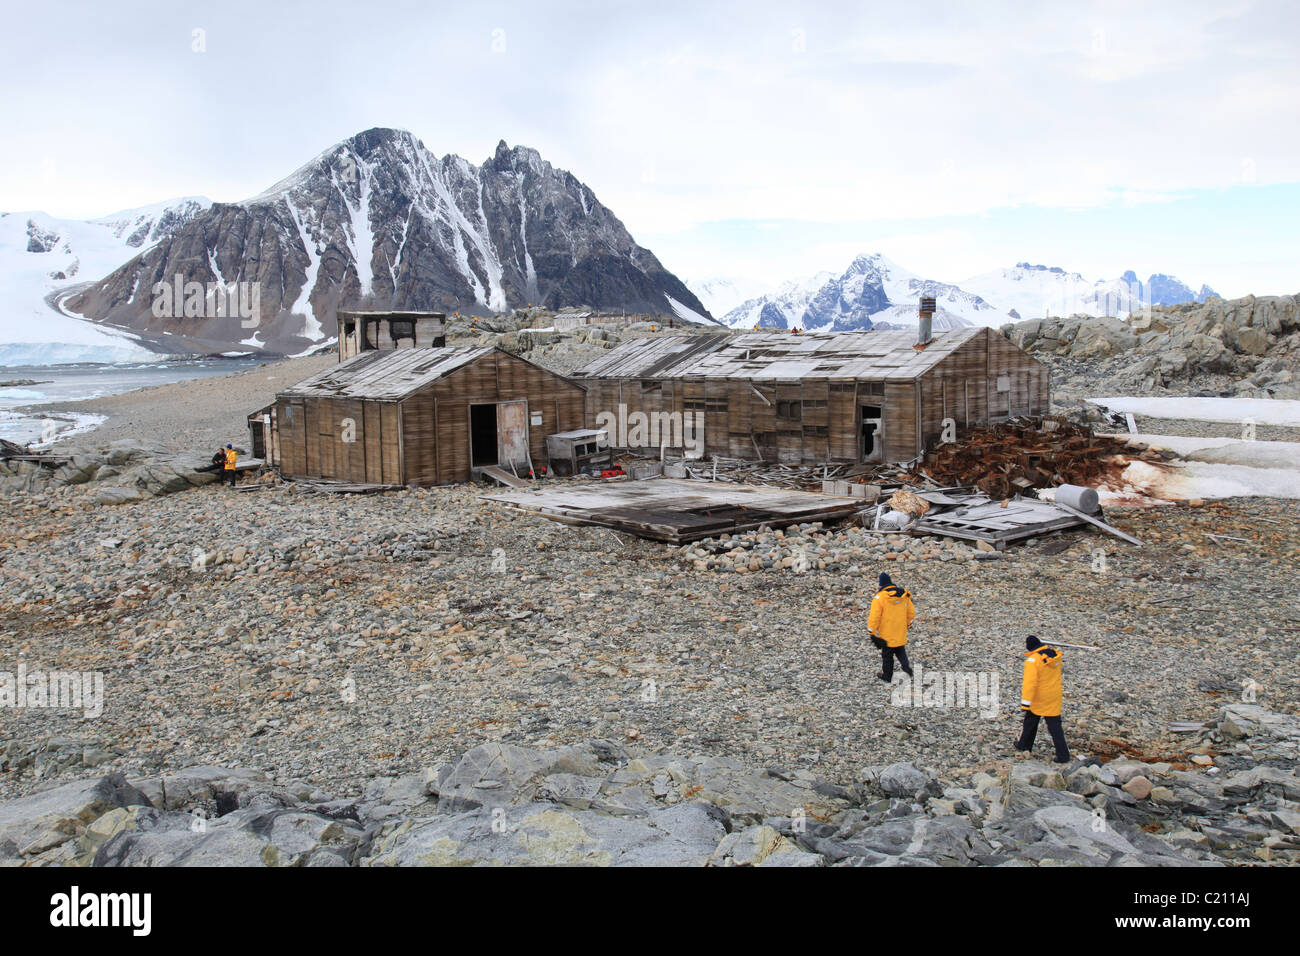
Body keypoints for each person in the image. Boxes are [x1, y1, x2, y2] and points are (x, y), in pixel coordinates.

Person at [1015, 636, 1071, 763]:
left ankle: (1062, 756)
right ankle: (1024, 744)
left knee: (1033, 722)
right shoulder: (1054, 656)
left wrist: (1025, 703)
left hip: (1039, 697)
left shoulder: (1033, 661)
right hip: (1054, 695)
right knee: (1050, 724)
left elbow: (1030, 684)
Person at [868, 572, 915, 682]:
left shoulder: (880, 597)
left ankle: (887, 675)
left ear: (881, 584)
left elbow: (874, 616)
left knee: (887, 655)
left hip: (886, 631)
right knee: (900, 649)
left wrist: (871, 631)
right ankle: (906, 667)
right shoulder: (904, 595)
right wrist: (908, 624)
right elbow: (911, 613)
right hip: (900, 629)